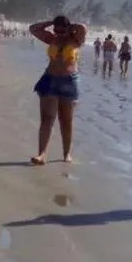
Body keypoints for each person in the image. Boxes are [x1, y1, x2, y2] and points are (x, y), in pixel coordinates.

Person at [29, 15, 88, 164]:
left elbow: (82, 27)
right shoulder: (52, 39)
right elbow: (33, 28)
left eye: (62, 30)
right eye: (56, 30)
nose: (59, 33)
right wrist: (51, 22)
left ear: (68, 29)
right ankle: (41, 154)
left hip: (69, 80)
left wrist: (69, 26)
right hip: (50, 79)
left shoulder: (76, 40)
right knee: (47, 118)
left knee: (66, 120)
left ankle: (66, 153)